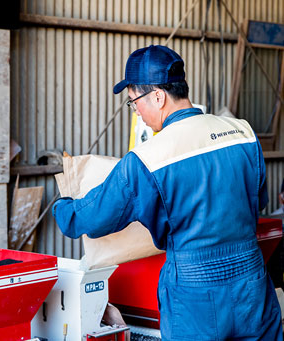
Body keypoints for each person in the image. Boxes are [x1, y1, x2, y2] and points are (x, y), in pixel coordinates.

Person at [53, 45, 282, 340]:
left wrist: (63, 204)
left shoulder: (149, 159)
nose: (136, 110)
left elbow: (94, 218)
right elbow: (258, 201)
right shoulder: (242, 132)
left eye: (134, 101)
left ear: (158, 96)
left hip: (195, 293)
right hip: (253, 285)